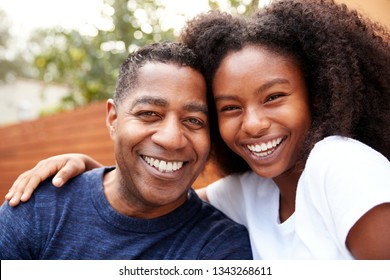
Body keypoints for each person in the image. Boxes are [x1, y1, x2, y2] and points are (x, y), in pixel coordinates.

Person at [5, 0, 390, 259]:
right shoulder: (252, 192)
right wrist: (92, 171)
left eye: (273, 97)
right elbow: (160, 194)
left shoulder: (338, 164)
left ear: (318, 98)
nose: (253, 123)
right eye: (230, 108)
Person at [0, 41, 253, 260]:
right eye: (149, 114)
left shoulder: (220, 248)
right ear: (113, 119)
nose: (172, 139)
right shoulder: (40, 207)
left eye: (194, 121)